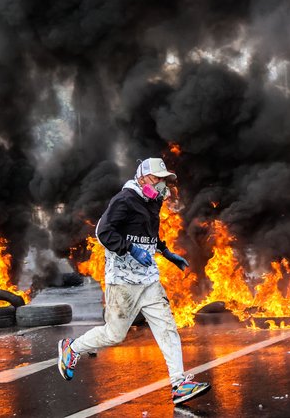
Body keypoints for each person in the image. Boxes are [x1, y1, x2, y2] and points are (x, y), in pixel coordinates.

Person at [57, 157, 211, 405]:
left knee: (167, 327)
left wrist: (165, 252)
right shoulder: (125, 199)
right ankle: (72, 348)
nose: (162, 185)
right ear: (142, 177)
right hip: (123, 280)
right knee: (114, 335)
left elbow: (148, 231)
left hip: (149, 279)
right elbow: (102, 232)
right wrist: (130, 249)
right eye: (157, 179)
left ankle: (179, 384)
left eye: (164, 181)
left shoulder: (153, 202)